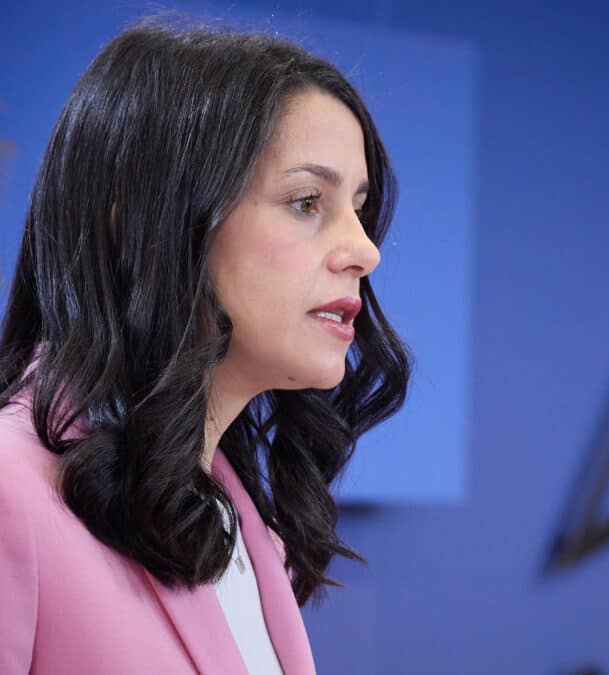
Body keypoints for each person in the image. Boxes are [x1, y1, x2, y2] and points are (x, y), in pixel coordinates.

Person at [0, 18, 411, 675]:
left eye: (358, 207)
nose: (365, 249)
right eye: (308, 201)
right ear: (143, 225)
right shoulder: (9, 493)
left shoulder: (242, 518)